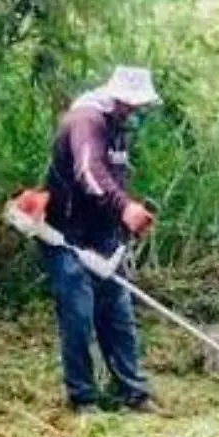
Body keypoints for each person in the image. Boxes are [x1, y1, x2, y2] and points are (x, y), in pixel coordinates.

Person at [41, 66, 162, 412]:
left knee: (117, 312)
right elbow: (89, 172)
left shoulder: (117, 126)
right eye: (131, 104)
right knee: (78, 313)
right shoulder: (86, 121)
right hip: (65, 233)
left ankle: (132, 393)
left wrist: (125, 222)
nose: (135, 111)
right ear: (117, 97)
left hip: (103, 235)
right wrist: (124, 208)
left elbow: (113, 178)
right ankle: (83, 400)